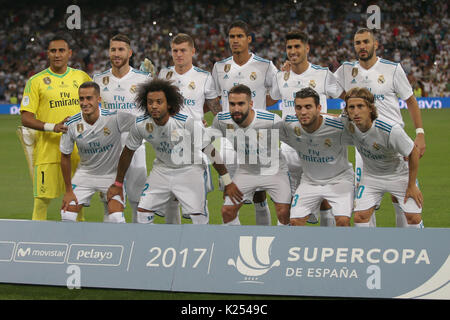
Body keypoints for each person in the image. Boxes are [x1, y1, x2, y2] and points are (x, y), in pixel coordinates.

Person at [106, 79, 242, 224]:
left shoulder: (186, 123)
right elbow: (127, 152)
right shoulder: (140, 124)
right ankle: (149, 246)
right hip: (162, 169)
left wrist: (227, 182)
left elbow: (210, 150)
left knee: (198, 219)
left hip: (190, 169)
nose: (154, 106)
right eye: (150, 102)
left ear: (169, 104)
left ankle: (202, 244)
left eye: (159, 102)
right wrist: (118, 184)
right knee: (143, 214)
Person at [334, 28, 426, 227]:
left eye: (366, 42)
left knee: (399, 198)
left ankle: (404, 243)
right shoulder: (346, 70)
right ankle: (371, 244)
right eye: (358, 43)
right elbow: (323, 84)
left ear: (375, 44)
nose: (362, 46)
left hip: (393, 140)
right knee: (364, 200)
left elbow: (410, 101)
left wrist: (419, 133)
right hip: (363, 142)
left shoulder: (392, 69)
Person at [270, 29, 344, 226]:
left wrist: (337, 117)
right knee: (286, 203)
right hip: (289, 146)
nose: (293, 51)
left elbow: (344, 95)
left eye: (297, 46)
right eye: (289, 47)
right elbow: (271, 99)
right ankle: (288, 246)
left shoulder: (322, 74)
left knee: (325, 200)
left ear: (307, 48)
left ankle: (325, 245)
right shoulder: (280, 76)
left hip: (319, 145)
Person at [211, 20, 278, 225]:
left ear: (249, 39)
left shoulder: (265, 65)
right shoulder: (220, 67)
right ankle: (234, 242)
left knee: (259, 195)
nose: (235, 40)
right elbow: (214, 98)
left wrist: (257, 110)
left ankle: (262, 238)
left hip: (258, 136)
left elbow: (275, 94)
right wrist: (221, 116)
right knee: (229, 192)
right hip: (229, 138)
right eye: (232, 37)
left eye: (240, 36)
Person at [19, 33, 91, 221]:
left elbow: (94, 107)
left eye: (61, 50)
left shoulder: (81, 76)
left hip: (78, 152)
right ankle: (34, 244)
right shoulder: (36, 81)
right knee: (41, 202)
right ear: (47, 54)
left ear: (70, 53)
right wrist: (53, 127)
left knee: (78, 204)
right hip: (47, 152)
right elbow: (26, 118)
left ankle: (78, 244)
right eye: (53, 51)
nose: (57, 54)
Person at [158, 33, 221, 224]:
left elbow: (214, 108)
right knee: (170, 196)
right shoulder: (164, 75)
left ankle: (201, 239)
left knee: (197, 197)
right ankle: (172, 240)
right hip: (168, 141)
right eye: (175, 50)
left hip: (195, 142)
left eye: (183, 50)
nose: (178, 54)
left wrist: (202, 122)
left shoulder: (203, 77)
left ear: (192, 51)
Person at [343, 87, 423, 228]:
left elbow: (413, 152)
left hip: (398, 175)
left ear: (370, 108)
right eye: (351, 107)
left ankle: (417, 248)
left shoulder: (390, 129)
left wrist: (411, 185)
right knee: (360, 217)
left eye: (360, 106)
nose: (355, 111)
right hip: (371, 177)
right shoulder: (347, 124)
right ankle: (366, 249)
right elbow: (326, 118)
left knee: (413, 218)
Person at [211, 84, 291, 226]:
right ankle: (236, 245)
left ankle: (281, 245)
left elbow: (294, 141)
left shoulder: (271, 120)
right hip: (246, 171)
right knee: (227, 211)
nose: (236, 108)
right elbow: (208, 147)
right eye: (232, 104)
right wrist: (227, 179)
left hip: (275, 171)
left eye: (241, 104)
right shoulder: (221, 120)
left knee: (284, 212)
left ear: (251, 104)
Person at [93, 34, 151, 223]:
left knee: (136, 200)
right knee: (109, 200)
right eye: (113, 49)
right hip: (108, 147)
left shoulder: (143, 78)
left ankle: (135, 242)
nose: (116, 54)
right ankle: (110, 245)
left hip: (135, 146)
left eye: (121, 49)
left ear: (130, 52)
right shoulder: (99, 79)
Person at [59, 81, 136, 223]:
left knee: (116, 218)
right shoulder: (71, 124)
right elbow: (65, 157)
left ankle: (117, 244)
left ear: (99, 99)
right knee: (67, 215)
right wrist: (68, 190)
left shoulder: (115, 118)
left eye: (89, 98)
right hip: (85, 174)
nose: (84, 103)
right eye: (81, 99)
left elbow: (141, 121)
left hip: (111, 175)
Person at [280, 87, 354, 227]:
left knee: (343, 221)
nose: (303, 112)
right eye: (299, 107)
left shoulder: (338, 126)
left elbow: (364, 136)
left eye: (308, 107)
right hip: (309, 182)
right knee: (295, 222)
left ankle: (338, 248)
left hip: (340, 180)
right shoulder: (289, 124)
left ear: (319, 108)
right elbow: (263, 127)